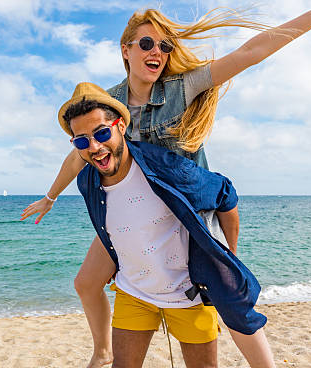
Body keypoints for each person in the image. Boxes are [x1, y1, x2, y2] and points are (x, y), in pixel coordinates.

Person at [22, 0, 311, 367]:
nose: (156, 52)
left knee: (229, 297)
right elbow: (78, 153)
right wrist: (51, 195)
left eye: (164, 46)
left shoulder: (182, 87)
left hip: (185, 211)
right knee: (86, 281)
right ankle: (103, 350)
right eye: (145, 43)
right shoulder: (106, 104)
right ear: (125, 50)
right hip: (136, 215)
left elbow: (249, 53)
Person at [60, 82, 265, 368]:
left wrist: (227, 254)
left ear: (120, 126)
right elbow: (114, 226)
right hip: (134, 294)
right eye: (81, 141)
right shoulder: (87, 182)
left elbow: (224, 193)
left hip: (189, 296)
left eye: (101, 133)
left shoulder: (165, 167)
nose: (94, 147)